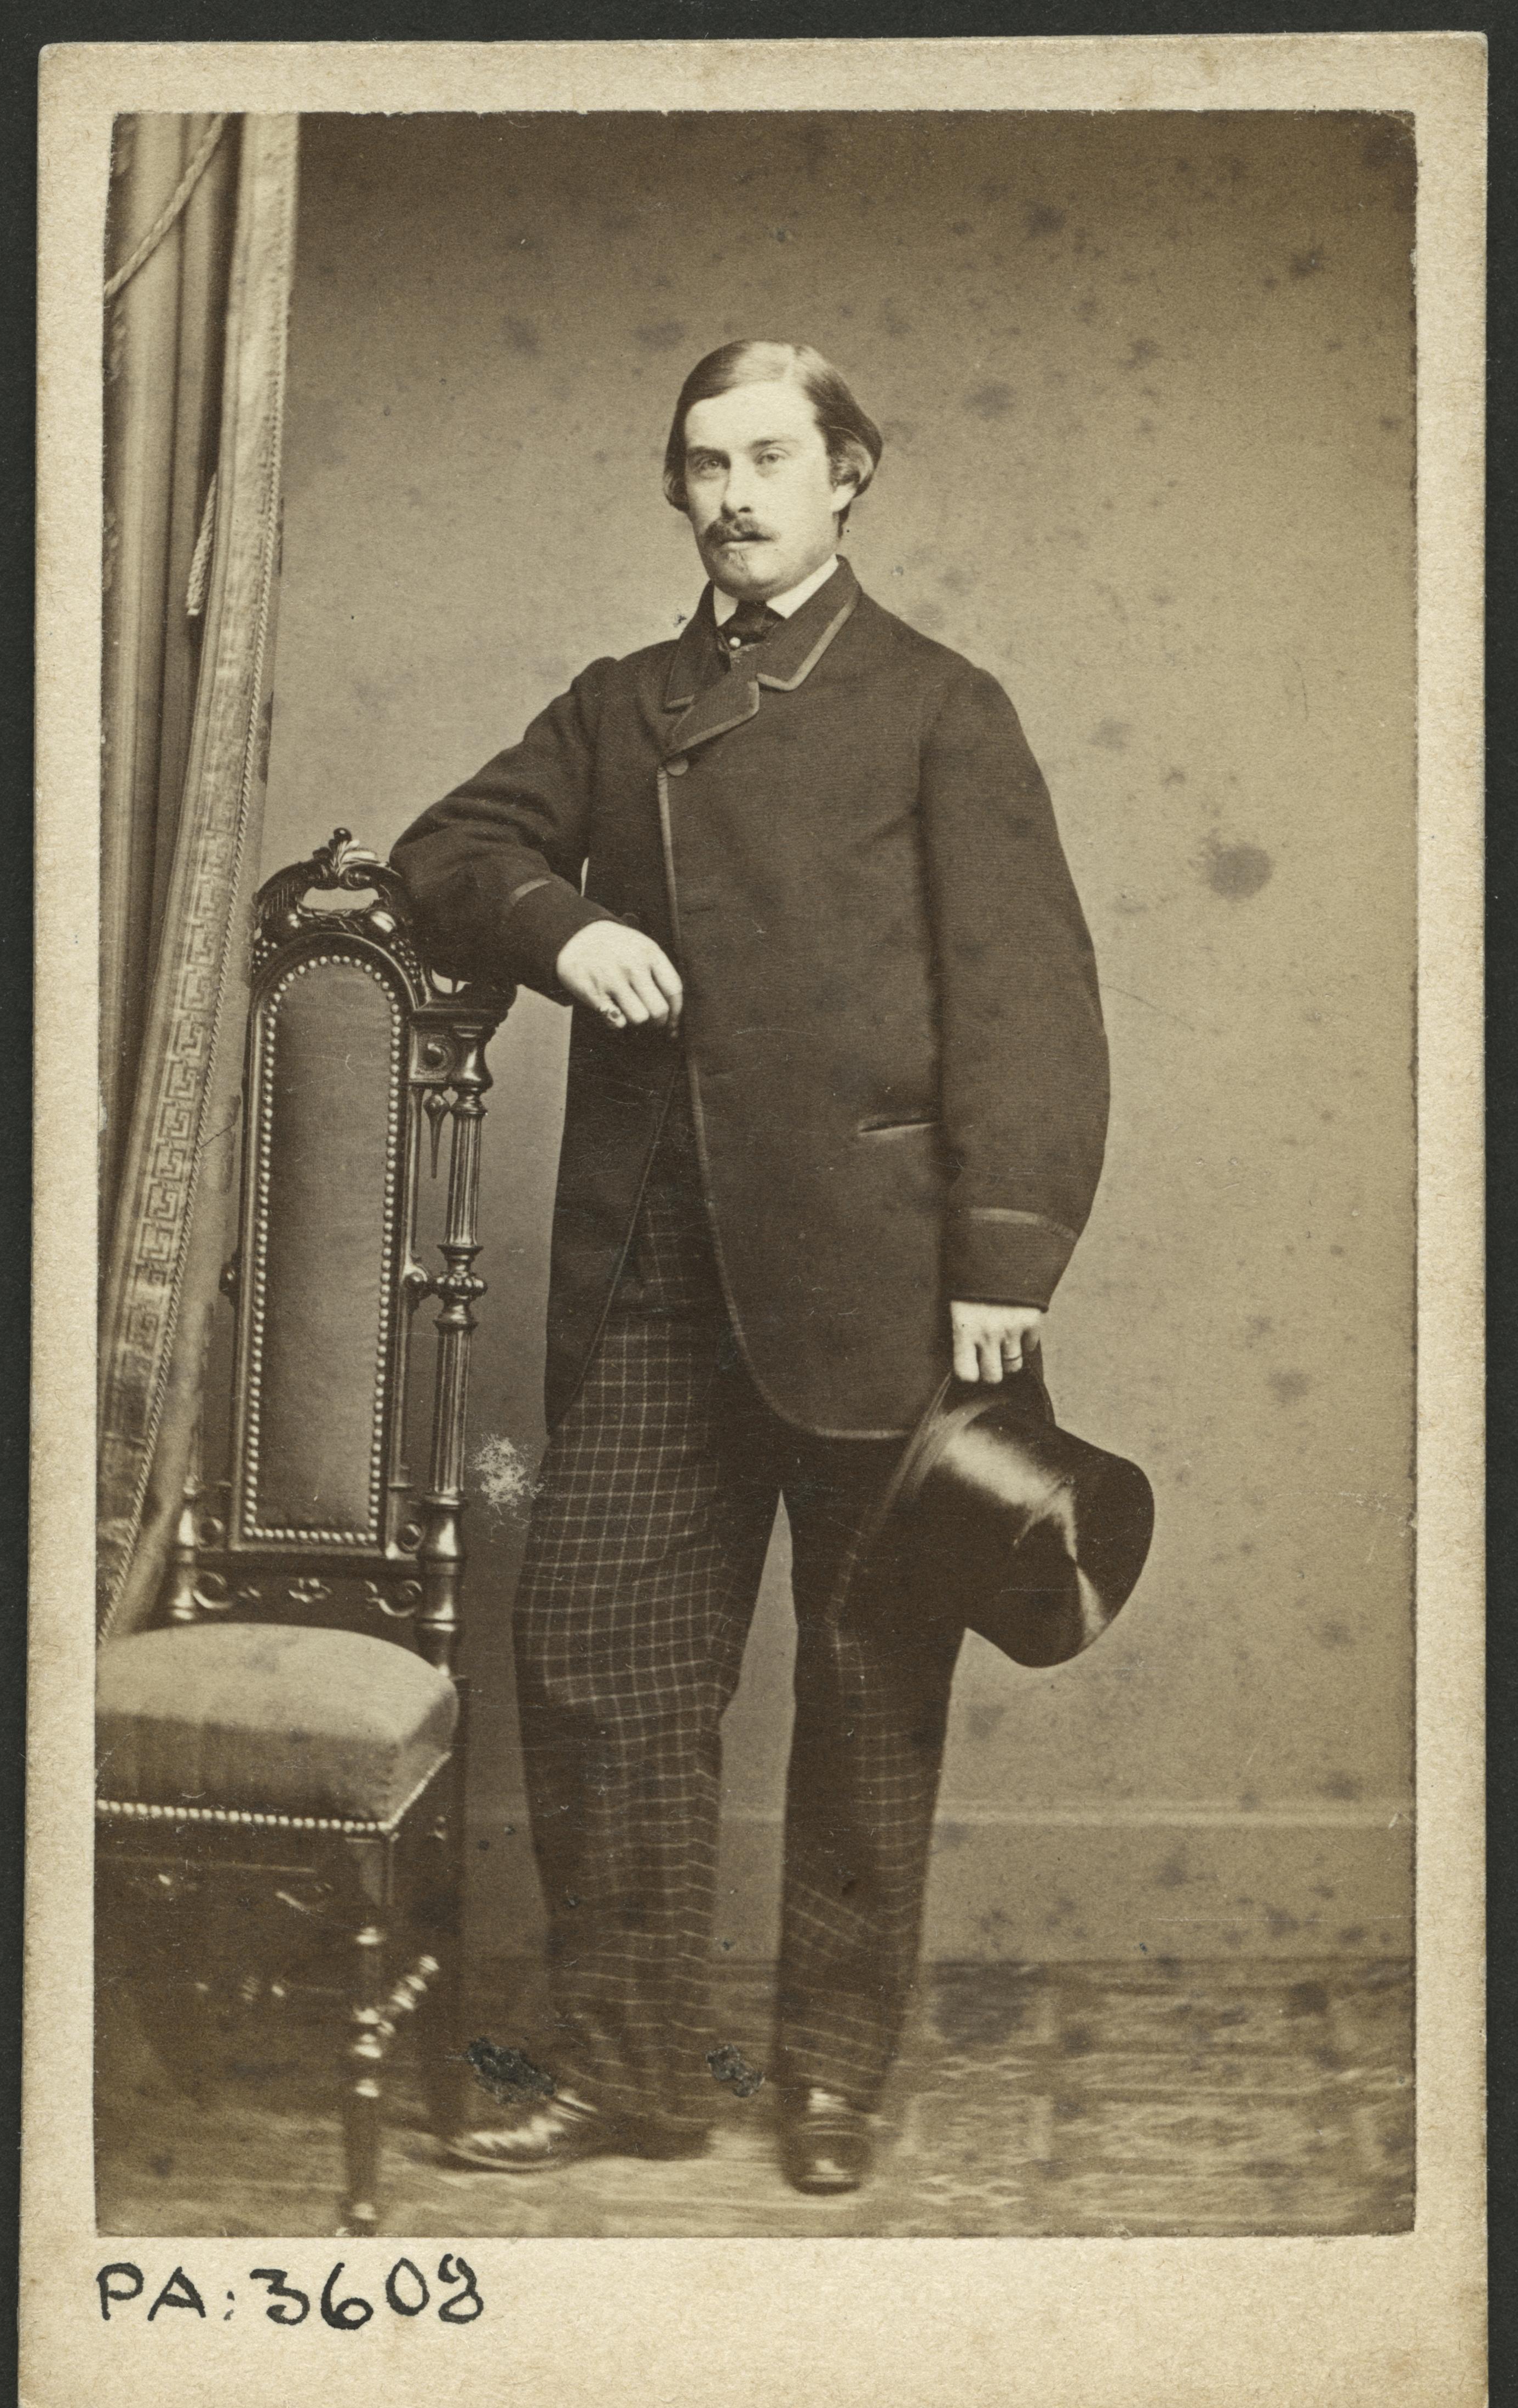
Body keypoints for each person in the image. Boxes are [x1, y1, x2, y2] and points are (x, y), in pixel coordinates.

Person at [391, 338, 1109, 2194]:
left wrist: (1005, 1257)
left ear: (847, 473)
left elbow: (1029, 1004)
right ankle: (630, 2071)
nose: (733, 496)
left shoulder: (940, 705)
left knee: (868, 1693)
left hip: (884, 1289)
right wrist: (559, 925)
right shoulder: (617, 706)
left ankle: (831, 2079)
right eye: (704, 464)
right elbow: (448, 849)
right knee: (594, 1662)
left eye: (770, 457)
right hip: (653, 1280)